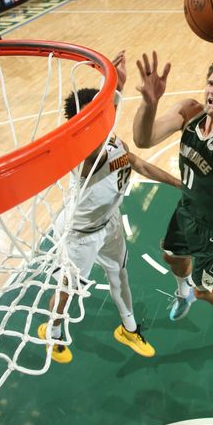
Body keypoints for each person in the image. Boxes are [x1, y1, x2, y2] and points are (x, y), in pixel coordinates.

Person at [39, 51, 181, 363]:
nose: (105, 118)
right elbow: (94, 140)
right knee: (67, 291)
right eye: (97, 114)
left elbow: (140, 165)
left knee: (120, 276)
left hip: (109, 224)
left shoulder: (115, 144)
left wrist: (179, 184)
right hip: (80, 235)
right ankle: (54, 329)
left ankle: (129, 329)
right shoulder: (83, 155)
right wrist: (114, 91)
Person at [132, 7, 213, 325]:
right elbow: (143, 139)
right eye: (211, 83)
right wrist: (149, 104)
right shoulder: (190, 112)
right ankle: (181, 292)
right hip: (188, 210)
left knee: (206, 289)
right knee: (172, 256)